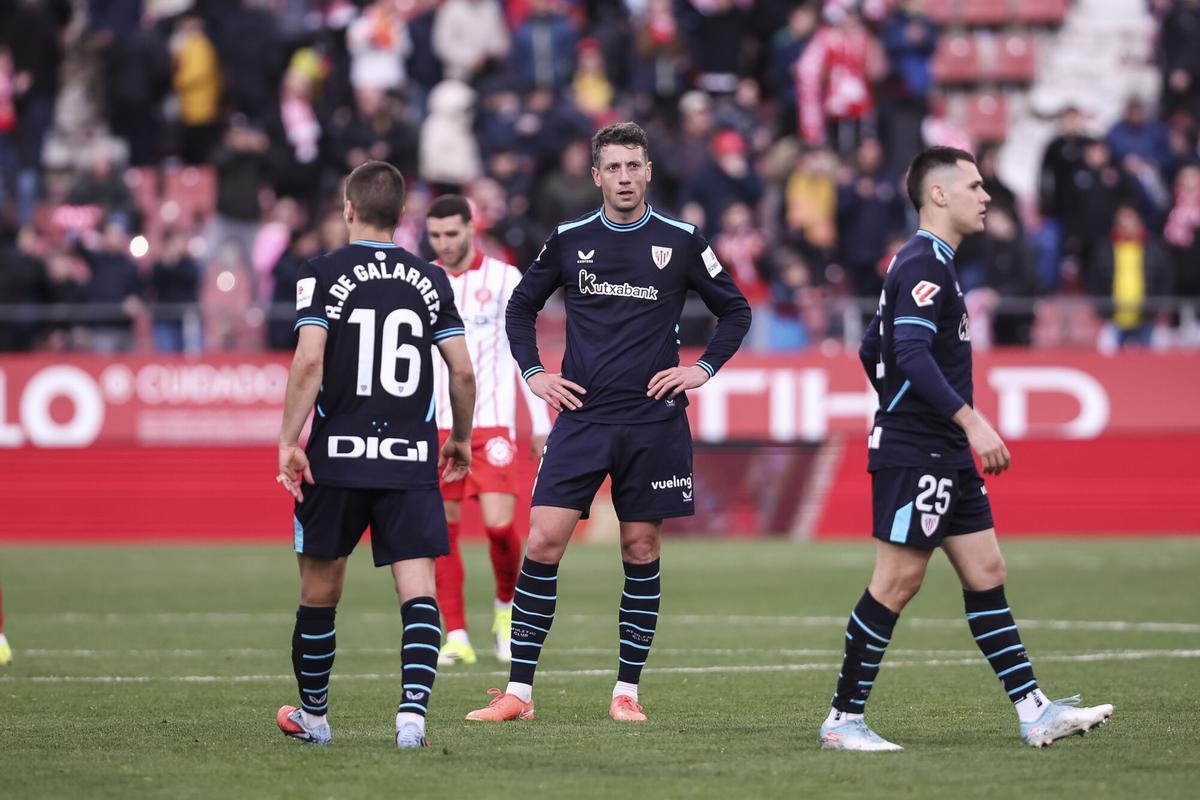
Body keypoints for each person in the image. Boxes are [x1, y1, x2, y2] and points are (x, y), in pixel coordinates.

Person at [817, 146, 1113, 752]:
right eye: (975, 186)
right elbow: (908, 353)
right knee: (897, 581)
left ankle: (1035, 712)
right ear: (939, 195)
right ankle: (843, 721)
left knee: (986, 572)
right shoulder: (925, 262)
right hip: (922, 449)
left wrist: (910, 407)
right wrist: (967, 420)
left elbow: (873, 348)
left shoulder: (929, 263)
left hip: (940, 448)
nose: (986, 197)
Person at [465, 121, 751, 724]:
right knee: (542, 540)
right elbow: (521, 306)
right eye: (613, 168)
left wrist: (702, 369)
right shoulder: (570, 239)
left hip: (653, 421)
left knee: (640, 545)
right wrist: (534, 373)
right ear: (596, 176)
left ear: (648, 171)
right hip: (583, 417)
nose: (624, 178)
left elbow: (736, 309)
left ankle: (627, 691)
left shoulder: (681, 240)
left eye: (633, 166)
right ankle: (519, 692)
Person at [273, 161, 476, 750]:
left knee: (319, 594)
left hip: (335, 457)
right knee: (419, 594)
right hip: (409, 457)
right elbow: (461, 370)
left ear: (348, 208)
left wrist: (290, 438)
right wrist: (459, 438)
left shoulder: (320, 272)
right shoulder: (431, 279)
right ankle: (412, 718)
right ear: (405, 214)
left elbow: (310, 362)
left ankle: (314, 718)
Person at [424, 194, 552, 666]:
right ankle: (455, 634)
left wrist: (540, 421)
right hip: (437, 428)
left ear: (471, 228)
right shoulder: (423, 279)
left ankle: (505, 609)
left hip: (493, 424)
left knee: (500, 529)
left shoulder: (504, 279)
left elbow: (524, 353)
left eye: (452, 233)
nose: (445, 243)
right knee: (443, 535)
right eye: (436, 235)